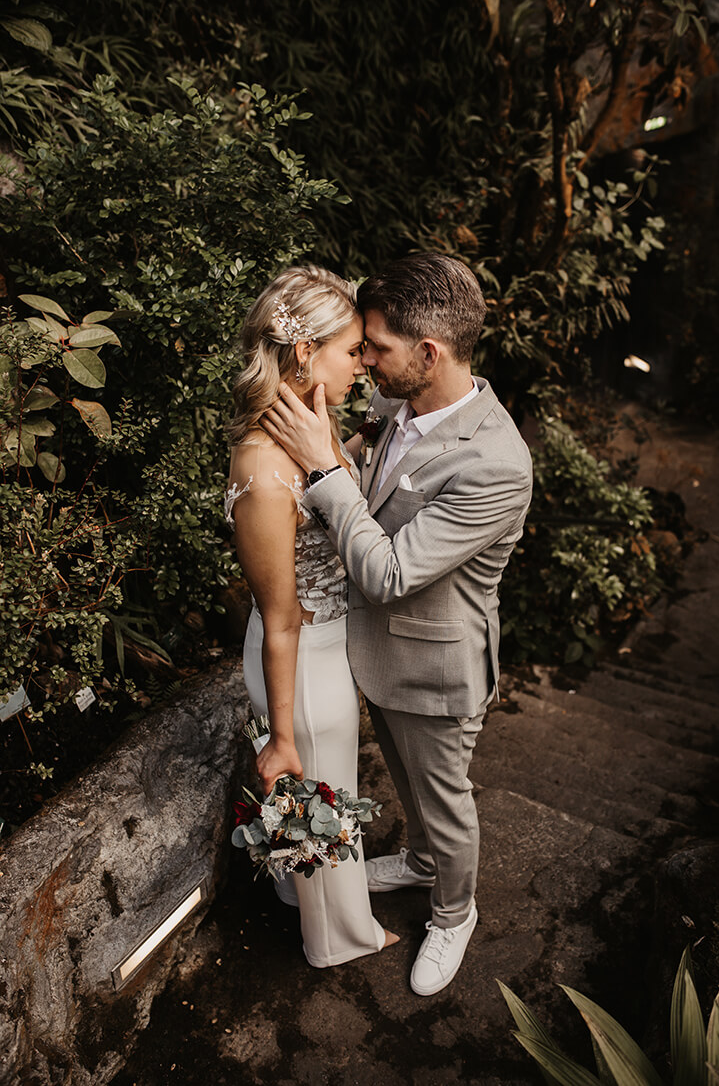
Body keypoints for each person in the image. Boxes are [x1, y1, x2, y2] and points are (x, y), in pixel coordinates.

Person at [262, 252, 532, 996]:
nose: (366, 360)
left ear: (429, 353)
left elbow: (385, 574)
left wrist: (322, 471)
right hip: (369, 654)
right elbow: (363, 477)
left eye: (375, 346)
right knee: (412, 793)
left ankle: (454, 909)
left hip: (436, 668)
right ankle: (417, 861)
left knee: (446, 801)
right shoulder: (396, 405)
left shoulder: (496, 464)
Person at [225, 264, 398, 968]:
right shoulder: (266, 469)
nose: (362, 363)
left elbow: (330, 482)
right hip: (298, 655)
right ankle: (339, 940)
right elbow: (280, 615)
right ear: (305, 352)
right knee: (319, 797)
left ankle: (302, 901)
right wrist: (283, 731)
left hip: (324, 648)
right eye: (352, 349)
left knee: (317, 799)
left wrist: (347, 448)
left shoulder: (309, 429)